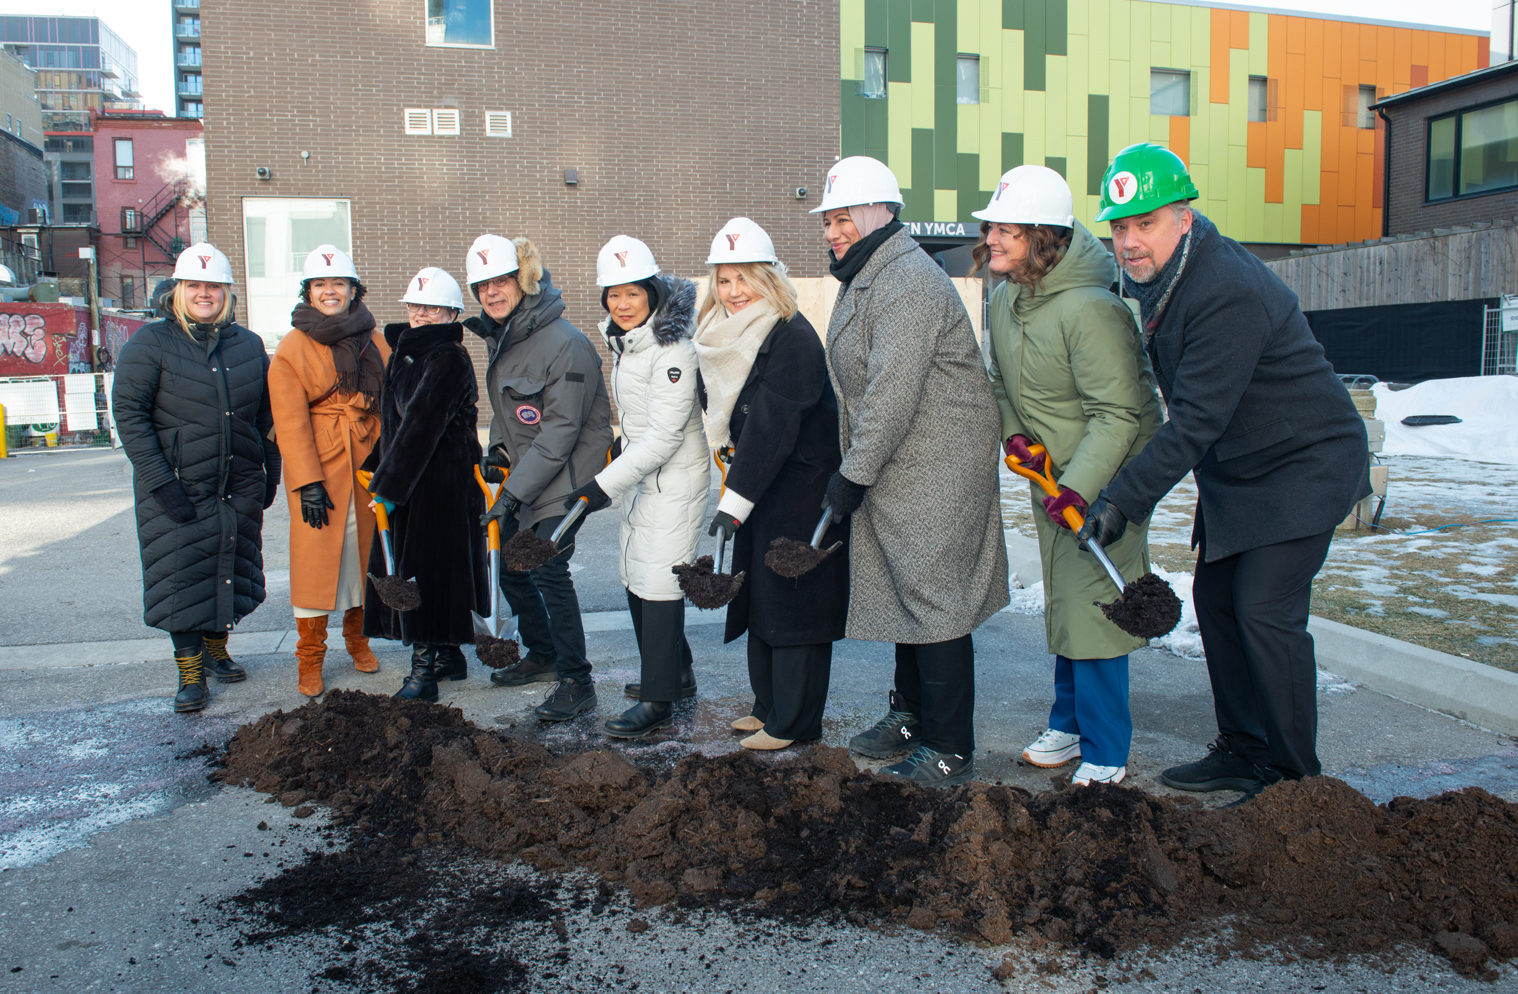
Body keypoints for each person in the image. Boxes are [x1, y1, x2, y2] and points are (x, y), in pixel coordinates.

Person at [1080, 143, 1371, 794]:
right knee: (1215, 600)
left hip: (1306, 463)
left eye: (1144, 223)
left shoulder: (1224, 289)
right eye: (1120, 227)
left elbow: (1196, 420)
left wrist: (1122, 499)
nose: (1128, 242)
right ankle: (1243, 747)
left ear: (1184, 218)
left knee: (1265, 610)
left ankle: (1297, 780)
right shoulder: (1169, 277)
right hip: (1248, 468)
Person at [815, 156, 1009, 787]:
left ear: (880, 213)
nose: (832, 231)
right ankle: (912, 715)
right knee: (907, 590)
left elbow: (891, 393)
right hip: (904, 465)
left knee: (935, 599)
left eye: (842, 218)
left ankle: (949, 745)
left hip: (936, 468)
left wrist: (852, 473)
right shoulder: (872, 273)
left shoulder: (907, 281)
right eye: (828, 220)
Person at [974, 166, 1164, 786]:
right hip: (1051, 478)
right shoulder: (1006, 299)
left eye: (1006, 230)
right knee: (1066, 598)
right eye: (992, 228)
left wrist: (1082, 488)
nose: (993, 239)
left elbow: (1121, 413)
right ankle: (1069, 721)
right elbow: (998, 382)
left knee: (1100, 608)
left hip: (1107, 482)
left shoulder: (1092, 309)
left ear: (1043, 237)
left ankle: (1106, 749)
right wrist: (1016, 438)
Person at [694, 218, 849, 750]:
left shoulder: (792, 337)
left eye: (746, 279)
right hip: (760, 485)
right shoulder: (722, 336)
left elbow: (772, 426)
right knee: (761, 597)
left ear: (770, 279)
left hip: (800, 491)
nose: (734, 292)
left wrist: (732, 503)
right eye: (725, 280)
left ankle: (796, 722)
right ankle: (769, 707)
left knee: (793, 605)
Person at [112, 243, 280, 713]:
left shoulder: (247, 345)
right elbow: (129, 413)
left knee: (226, 568)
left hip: (238, 481)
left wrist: (271, 472)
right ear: (179, 290)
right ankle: (189, 668)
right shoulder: (151, 343)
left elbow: (267, 417)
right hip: (177, 483)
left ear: (226, 293)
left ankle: (216, 647)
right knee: (182, 574)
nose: (205, 294)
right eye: (196, 286)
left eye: (214, 287)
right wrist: (160, 480)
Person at [560, 235, 708, 739]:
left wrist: (600, 486)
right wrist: (613, 466)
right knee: (634, 575)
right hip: (645, 476)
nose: (623, 304)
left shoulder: (672, 350)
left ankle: (657, 700)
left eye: (633, 294)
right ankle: (675, 675)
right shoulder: (630, 344)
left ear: (651, 293)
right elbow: (637, 428)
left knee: (659, 583)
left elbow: (665, 436)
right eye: (613, 295)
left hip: (673, 479)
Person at [465, 234, 614, 721]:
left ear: (523, 280)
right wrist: (496, 452)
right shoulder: (509, 337)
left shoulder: (563, 343)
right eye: (483, 284)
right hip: (531, 475)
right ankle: (544, 653)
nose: (492, 292)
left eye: (501, 280)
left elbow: (561, 430)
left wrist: (509, 495)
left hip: (568, 479)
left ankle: (577, 680)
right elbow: (512, 415)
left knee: (548, 568)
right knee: (511, 567)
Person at [268, 245, 390, 699]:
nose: (330, 291)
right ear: (309, 291)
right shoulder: (293, 345)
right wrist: (307, 483)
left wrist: (388, 460)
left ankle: (357, 640)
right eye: (320, 284)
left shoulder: (374, 338)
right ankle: (310, 658)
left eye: (338, 283)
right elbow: (289, 419)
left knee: (363, 558)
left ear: (353, 289)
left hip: (366, 460)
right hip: (318, 464)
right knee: (316, 565)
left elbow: (390, 401)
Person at [361, 267, 488, 702]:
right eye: (414, 305)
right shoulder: (405, 353)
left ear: (452, 313)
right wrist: (373, 463)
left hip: (442, 486)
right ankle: (449, 656)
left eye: (430, 307)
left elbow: (422, 424)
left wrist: (389, 486)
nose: (419, 313)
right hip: (411, 478)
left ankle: (423, 674)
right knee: (435, 570)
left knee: (428, 573)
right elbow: (394, 421)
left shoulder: (447, 358)